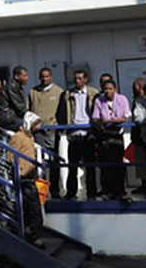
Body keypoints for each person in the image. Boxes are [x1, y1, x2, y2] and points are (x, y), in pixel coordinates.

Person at [57, 69, 99, 200]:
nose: (77, 81)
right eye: (75, 78)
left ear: (85, 79)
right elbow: (61, 112)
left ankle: (92, 193)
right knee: (72, 166)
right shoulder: (68, 94)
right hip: (74, 132)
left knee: (90, 166)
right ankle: (71, 192)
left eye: (80, 78)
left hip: (88, 133)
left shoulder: (93, 93)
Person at [8, 112, 43, 246]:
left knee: (30, 208)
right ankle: (34, 236)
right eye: (34, 124)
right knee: (33, 207)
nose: (37, 127)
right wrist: (19, 169)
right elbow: (10, 156)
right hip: (23, 177)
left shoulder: (29, 138)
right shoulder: (18, 137)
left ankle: (31, 232)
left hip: (29, 176)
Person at [91, 79, 130, 201]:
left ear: (115, 89)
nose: (108, 91)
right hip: (105, 135)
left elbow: (125, 117)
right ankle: (107, 190)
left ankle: (120, 190)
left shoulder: (122, 99)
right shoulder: (99, 100)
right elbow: (96, 117)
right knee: (105, 165)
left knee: (118, 164)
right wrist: (105, 122)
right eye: (105, 89)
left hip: (117, 135)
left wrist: (113, 120)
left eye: (110, 89)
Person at [28, 67, 63, 148]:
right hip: (37, 129)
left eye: (47, 77)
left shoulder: (59, 92)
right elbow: (28, 110)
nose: (44, 79)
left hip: (51, 129)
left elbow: (62, 112)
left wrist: (55, 126)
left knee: (51, 151)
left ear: (51, 77)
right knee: (38, 151)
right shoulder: (33, 92)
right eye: (42, 77)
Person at [0, 66, 28, 131]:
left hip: (10, 116)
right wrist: (31, 116)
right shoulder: (12, 86)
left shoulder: (17, 86)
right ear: (16, 76)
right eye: (24, 76)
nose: (27, 78)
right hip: (6, 116)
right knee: (30, 125)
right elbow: (20, 107)